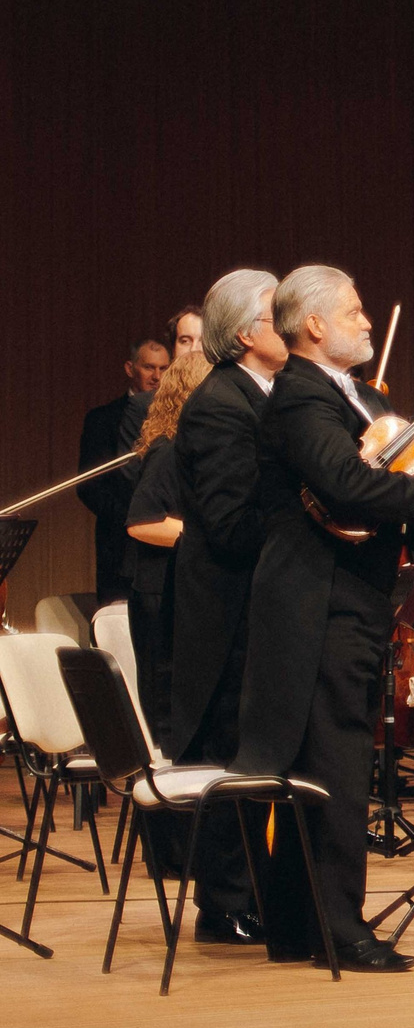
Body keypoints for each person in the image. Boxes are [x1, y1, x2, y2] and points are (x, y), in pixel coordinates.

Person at [237, 265, 414, 971]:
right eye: (355, 309)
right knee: (335, 765)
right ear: (314, 324)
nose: (368, 320)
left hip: (342, 600)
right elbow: (344, 482)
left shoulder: (352, 395)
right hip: (317, 605)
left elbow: (404, 440)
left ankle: (295, 925)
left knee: (325, 765)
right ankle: (338, 929)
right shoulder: (300, 394)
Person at [162, 270, 288, 947]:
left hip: (255, 610)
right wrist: (302, 507)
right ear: (247, 334)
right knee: (231, 754)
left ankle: (252, 894)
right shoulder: (220, 405)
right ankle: (223, 904)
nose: (293, 322)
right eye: (278, 314)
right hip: (228, 615)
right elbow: (231, 523)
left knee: (251, 755)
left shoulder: (263, 395)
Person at [122, 352, 207, 774]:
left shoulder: (185, 449)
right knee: (164, 709)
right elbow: (142, 521)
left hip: (173, 591)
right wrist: (206, 538)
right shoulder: (169, 450)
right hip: (157, 596)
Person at [78, 335, 170, 601]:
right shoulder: (102, 419)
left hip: (165, 545)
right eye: (148, 367)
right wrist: (133, 517)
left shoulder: (180, 416)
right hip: (118, 545)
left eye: (163, 368)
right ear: (130, 369)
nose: (156, 376)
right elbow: (89, 487)